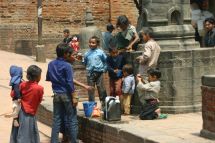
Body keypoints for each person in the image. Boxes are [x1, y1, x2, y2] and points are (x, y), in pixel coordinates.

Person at [46, 43, 78, 143]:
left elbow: (48, 78)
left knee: (56, 120)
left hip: (56, 94)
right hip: (67, 95)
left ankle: (54, 141)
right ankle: (73, 141)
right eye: (69, 53)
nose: (70, 55)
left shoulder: (51, 64)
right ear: (65, 54)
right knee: (72, 119)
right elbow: (69, 82)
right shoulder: (67, 66)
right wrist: (74, 96)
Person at [10, 65, 43, 143]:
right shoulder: (39, 88)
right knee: (27, 134)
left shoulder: (22, 84)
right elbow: (39, 100)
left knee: (19, 132)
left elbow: (12, 94)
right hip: (30, 113)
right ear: (37, 77)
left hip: (20, 111)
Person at [83, 36, 107, 106]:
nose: (91, 44)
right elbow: (85, 63)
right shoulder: (87, 53)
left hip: (99, 73)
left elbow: (105, 61)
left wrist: (104, 69)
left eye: (93, 43)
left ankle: (104, 106)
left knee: (101, 90)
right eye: (90, 42)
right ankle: (92, 107)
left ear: (97, 44)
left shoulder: (100, 52)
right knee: (91, 90)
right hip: (90, 73)